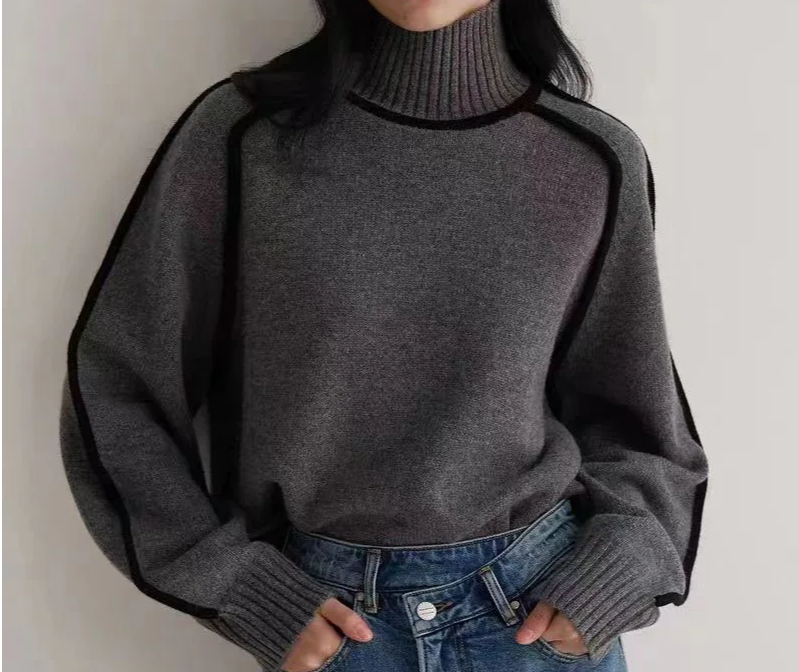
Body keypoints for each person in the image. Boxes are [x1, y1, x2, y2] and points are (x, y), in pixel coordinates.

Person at [58, 1, 710, 671]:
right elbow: (118, 386)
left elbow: (638, 420)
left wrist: (615, 573)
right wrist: (238, 588)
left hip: (537, 611)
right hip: (327, 619)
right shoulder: (243, 138)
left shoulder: (590, 159)